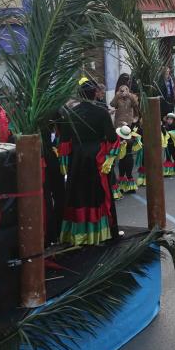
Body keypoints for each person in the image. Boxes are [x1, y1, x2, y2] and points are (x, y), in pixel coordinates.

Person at [58, 79, 119, 245]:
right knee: (97, 194)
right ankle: (100, 233)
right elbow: (112, 137)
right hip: (96, 157)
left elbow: (63, 142)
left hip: (76, 159)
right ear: (94, 93)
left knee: (78, 194)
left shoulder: (71, 113)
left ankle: (78, 234)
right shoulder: (101, 112)